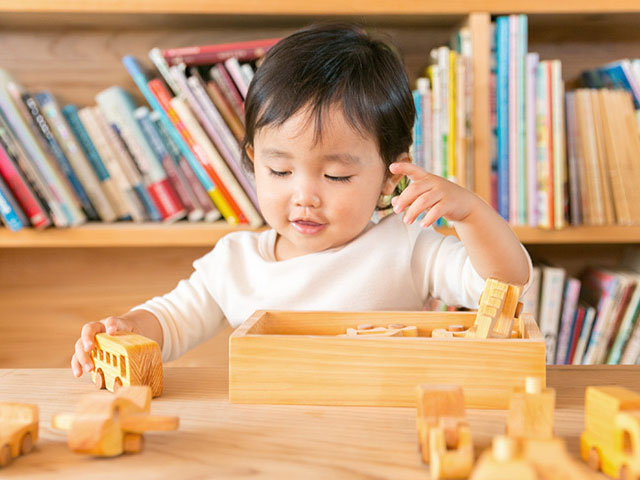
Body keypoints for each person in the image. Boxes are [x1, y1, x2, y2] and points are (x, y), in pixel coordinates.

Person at [72, 23, 531, 376]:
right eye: (279, 170)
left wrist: (470, 214)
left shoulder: (409, 248)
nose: (305, 196)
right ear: (253, 162)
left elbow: (507, 285)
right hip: (272, 433)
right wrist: (127, 329)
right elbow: (170, 322)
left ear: (391, 176)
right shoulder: (234, 262)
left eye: (337, 174)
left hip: (381, 428)